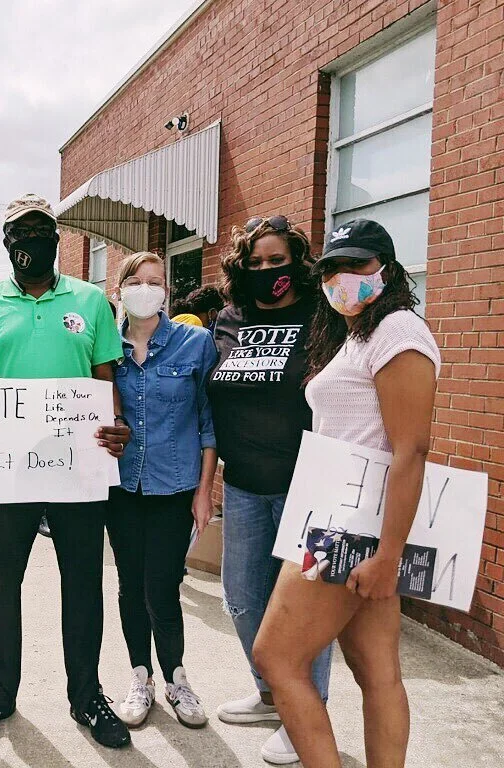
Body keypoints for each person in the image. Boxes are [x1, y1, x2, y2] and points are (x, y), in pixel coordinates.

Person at [0, 194, 132, 749]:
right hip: (5, 473)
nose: (31, 241)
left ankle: (87, 695)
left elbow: (103, 381)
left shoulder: (92, 302)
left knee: (82, 584)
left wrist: (115, 423)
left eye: (41, 231)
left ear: (55, 237)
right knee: (2, 582)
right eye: (19, 233)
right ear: (6, 243)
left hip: (77, 468)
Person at [253, 219, 439, 767]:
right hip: (342, 513)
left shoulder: (399, 330)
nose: (342, 278)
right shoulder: (358, 331)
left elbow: (412, 451)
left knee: (277, 658)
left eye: (358, 265)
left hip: (351, 524)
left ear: (387, 268)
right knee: (377, 672)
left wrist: (388, 555)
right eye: (332, 268)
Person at [206, 214, 330, 765]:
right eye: (255, 263)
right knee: (241, 597)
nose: (266, 271)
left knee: (305, 606)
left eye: (277, 261)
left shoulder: (322, 314)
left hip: (309, 484)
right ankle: (272, 692)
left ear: (297, 263)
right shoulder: (230, 319)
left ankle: (309, 710)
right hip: (246, 486)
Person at [108, 252, 218, 730]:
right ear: (121, 288)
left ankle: (176, 677)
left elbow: (209, 423)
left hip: (175, 487)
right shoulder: (105, 349)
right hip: (121, 488)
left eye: (157, 282)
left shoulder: (195, 343)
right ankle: (140, 676)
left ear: (167, 293)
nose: (147, 288)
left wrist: (205, 491)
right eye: (137, 280)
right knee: (130, 586)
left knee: (162, 587)